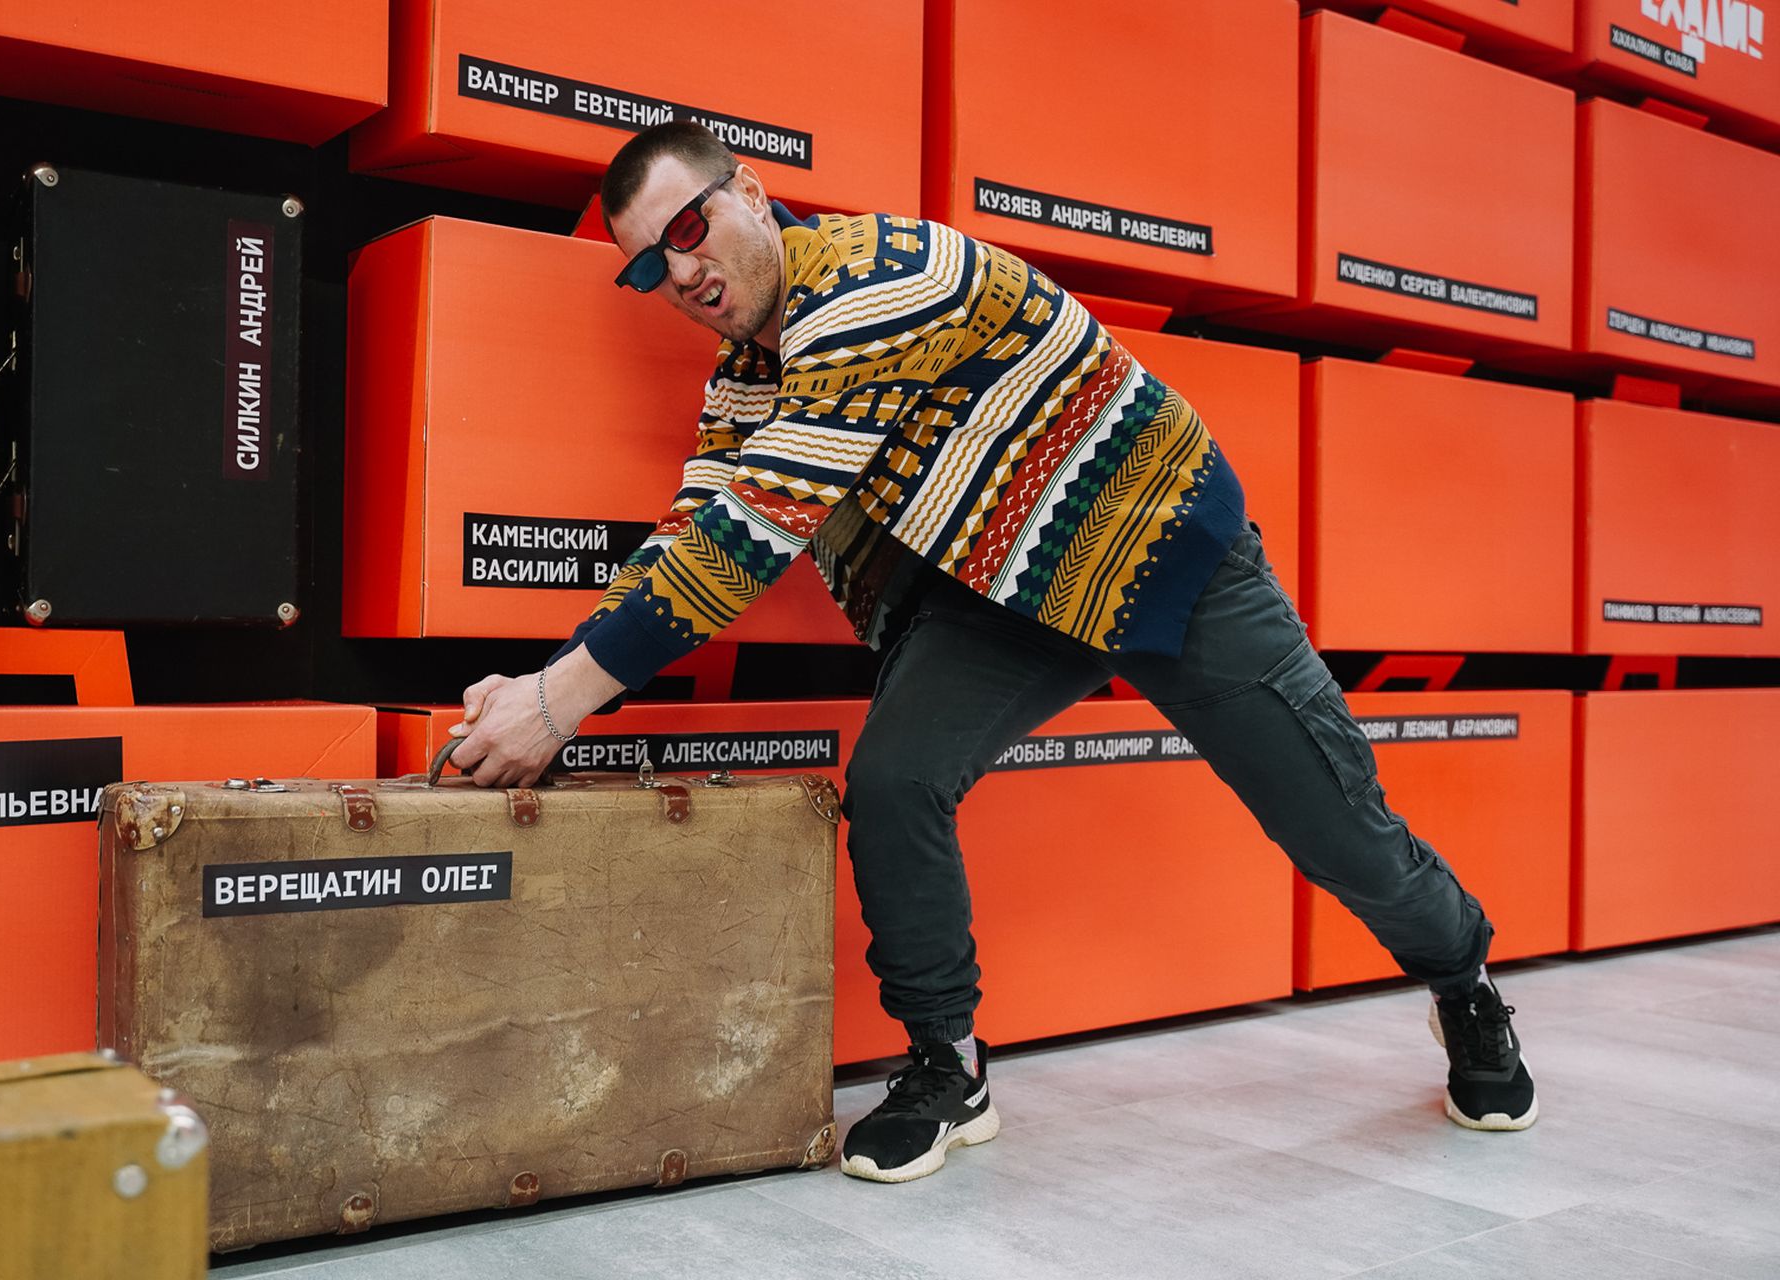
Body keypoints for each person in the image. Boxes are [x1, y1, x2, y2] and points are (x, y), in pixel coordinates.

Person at [446, 121, 1536, 1184]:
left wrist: (559, 702)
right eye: (650, 266)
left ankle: (1465, 979)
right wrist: (548, 678)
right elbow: (698, 523)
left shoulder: (871, 282)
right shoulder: (745, 377)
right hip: (1004, 587)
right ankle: (947, 1064)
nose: (682, 272)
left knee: (1337, 831)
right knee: (894, 779)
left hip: (1155, 547)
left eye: (689, 228)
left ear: (753, 196)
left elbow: (756, 527)